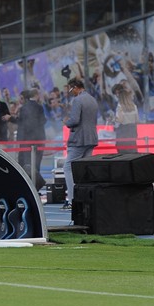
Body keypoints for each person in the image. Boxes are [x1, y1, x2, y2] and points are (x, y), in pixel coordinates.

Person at [62, 77, 98, 210]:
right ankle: (85, 198)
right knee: (84, 169)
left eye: (71, 89)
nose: (71, 92)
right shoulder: (92, 99)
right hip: (91, 138)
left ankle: (73, 199)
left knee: (68, 167)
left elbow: (75, 120)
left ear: (76, 87)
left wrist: (67, 122)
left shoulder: (78, 100)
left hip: (79, 139)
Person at [112, 82, 139, 151]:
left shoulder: (120, 107)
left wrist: (113, 119)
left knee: (123, 153)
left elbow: (120, 120)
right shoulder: (134, 106)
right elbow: (137, 120)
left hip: (123, 133)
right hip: (132, 132)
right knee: (133, 152)